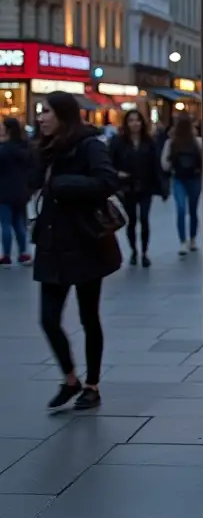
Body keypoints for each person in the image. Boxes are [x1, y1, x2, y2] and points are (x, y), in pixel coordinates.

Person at [31, 91, 122, 410]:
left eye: (46, 112)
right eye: (39, 112)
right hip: (53, 244)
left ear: (64, 115)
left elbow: (107, 182)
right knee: (48, 319)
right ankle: (70, 379)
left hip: (85, 243)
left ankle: (92, 385)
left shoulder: (90, 144)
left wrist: (62, 184)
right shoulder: (45, 148)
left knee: (88, 316)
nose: (40, 117)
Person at [109, 109, 165, 267]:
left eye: (137, 120)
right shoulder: (118, 142)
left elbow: (156, 166)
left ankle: (145, 252)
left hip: (145, 186)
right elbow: (109, 162)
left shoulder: (149, 142)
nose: (135, 123)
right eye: (131, 120)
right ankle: (134, 251)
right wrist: (117, 174)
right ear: (126, 123)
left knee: (145, 219)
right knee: (131, 221)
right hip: (127, 188)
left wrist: (161, 187)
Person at [162, 114, 203, 256]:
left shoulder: (171, 142)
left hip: (179, 178)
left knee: (181, 210)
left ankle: (183, 242)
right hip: (194, 178)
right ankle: (192, 240)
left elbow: (164, 165)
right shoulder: (198, 142)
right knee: (193, 211)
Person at [0, 117, 33, 265]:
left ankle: (6, 256)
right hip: (21, 190)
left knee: (6, 223)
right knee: (19, 222)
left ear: (8, 129)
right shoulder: (25, 147)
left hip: (4, 190)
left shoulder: (3, 149)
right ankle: (23, 253)